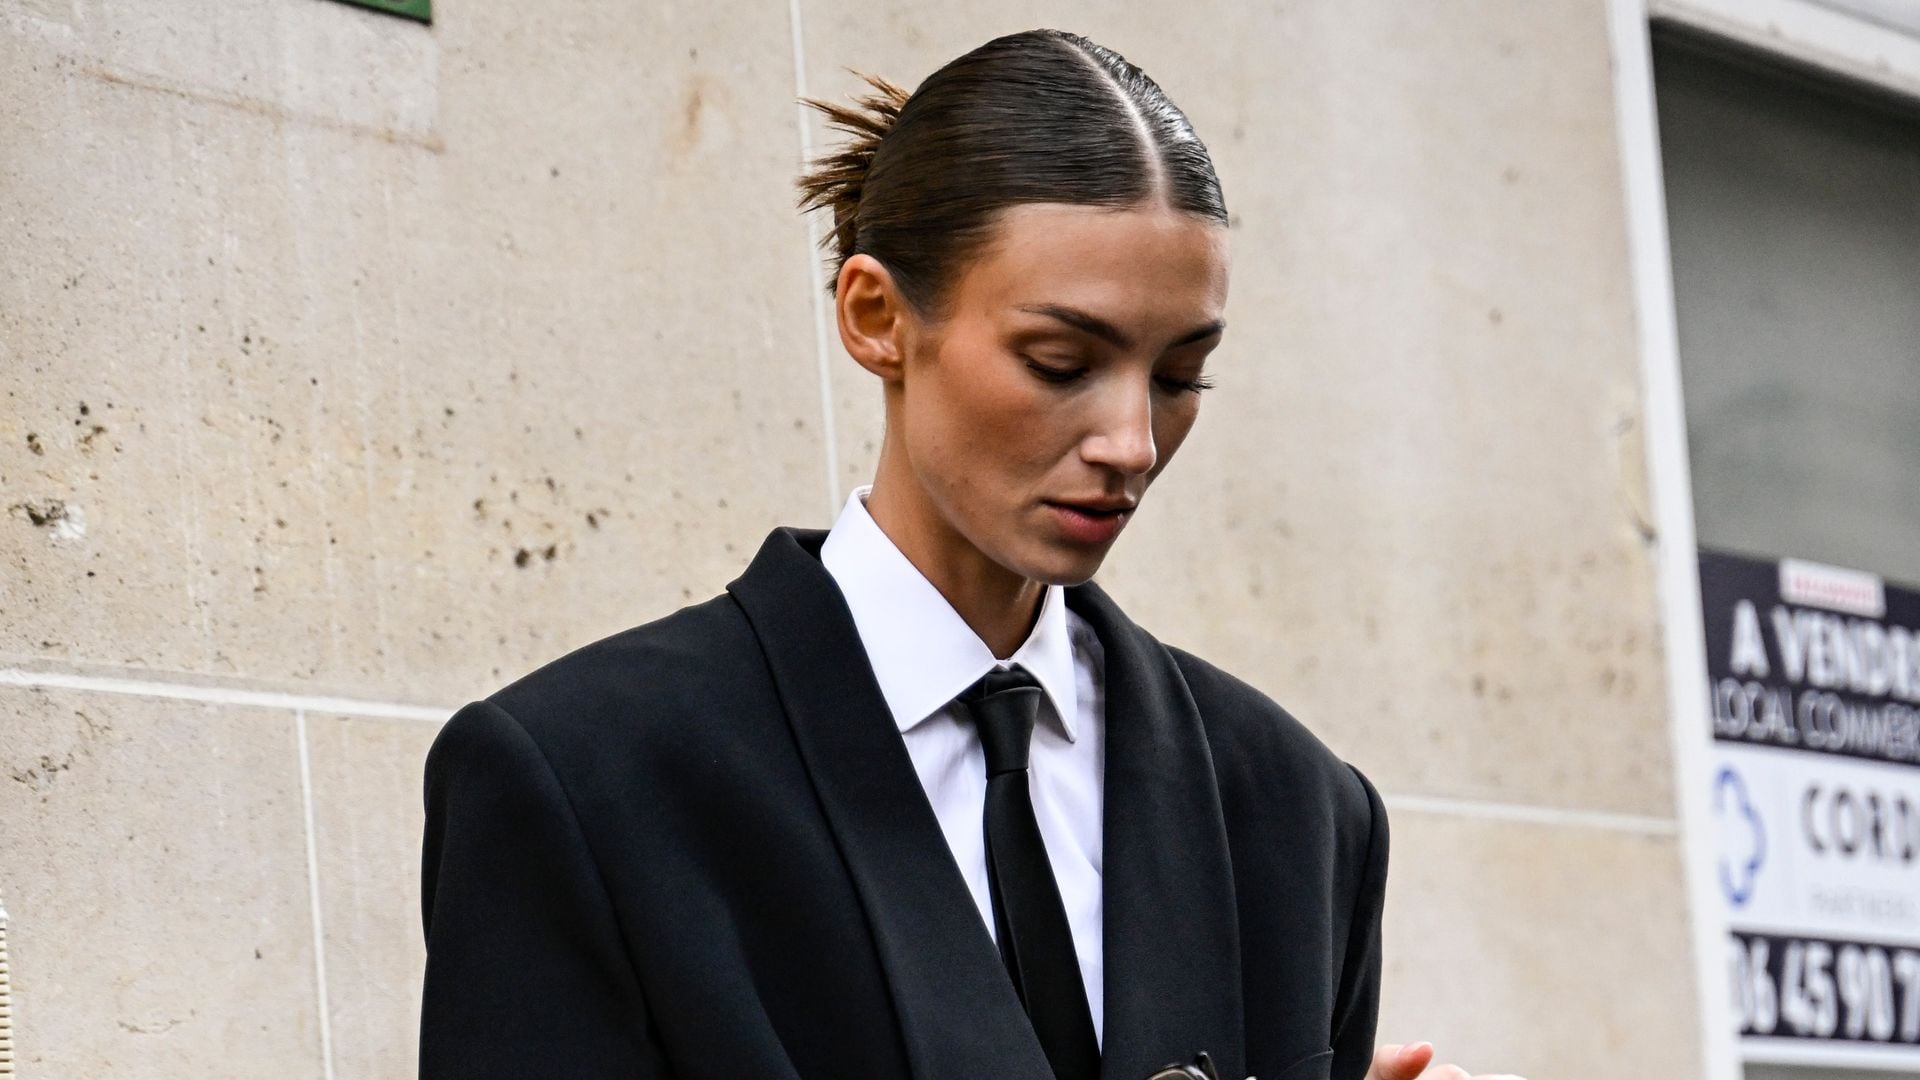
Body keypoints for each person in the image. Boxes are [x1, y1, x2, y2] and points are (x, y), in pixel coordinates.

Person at [419, 27, 1523, 1080]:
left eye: (1181, 376)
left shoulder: (1297, 810)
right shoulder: (583, 779)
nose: (1132, 443)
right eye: (1058, 360)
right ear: (876, 316)